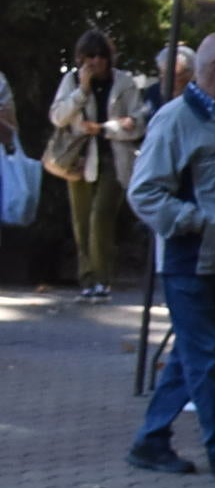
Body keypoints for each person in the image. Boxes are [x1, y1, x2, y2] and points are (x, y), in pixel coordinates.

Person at [122, 33, 215, 484]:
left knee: (195, 356)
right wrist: (196, 222)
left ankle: (150, 442)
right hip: (192, 262)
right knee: (204, 357)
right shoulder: (175, 121)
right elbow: (144, 193)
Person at [50, 30, 142, 301]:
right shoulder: (71, 81)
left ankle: (102, 279)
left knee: (100, 217)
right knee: (81, 221)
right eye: (90, 57)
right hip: (79, 159)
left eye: (101, 56)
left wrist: (104, 129)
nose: (96, 62)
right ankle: (87, 280)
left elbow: (137, 122)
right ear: (81, 58)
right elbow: (58, 117)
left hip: (113, 158)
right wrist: (82, 91)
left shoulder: (124, 83)